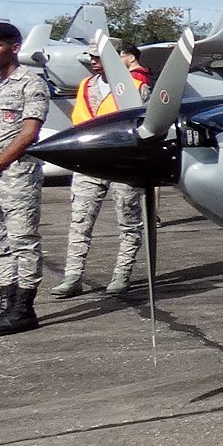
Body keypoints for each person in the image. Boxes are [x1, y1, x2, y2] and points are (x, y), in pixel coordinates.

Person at [50, 42, 150, 298]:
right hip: (88, 160)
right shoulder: (86, 84)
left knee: (128, 220)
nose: (93, 61)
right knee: (80, 220)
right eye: (91, 57)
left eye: (98, 56)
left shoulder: (137, 85)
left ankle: (122, 274)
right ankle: (72, 276)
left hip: (122, 162)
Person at [0, 22, 49, 336]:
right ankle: (6, 304)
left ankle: (24, 309)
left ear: (14, 47)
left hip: (16, 171)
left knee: (22, 241)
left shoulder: (31, 84)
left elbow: (28, 133)